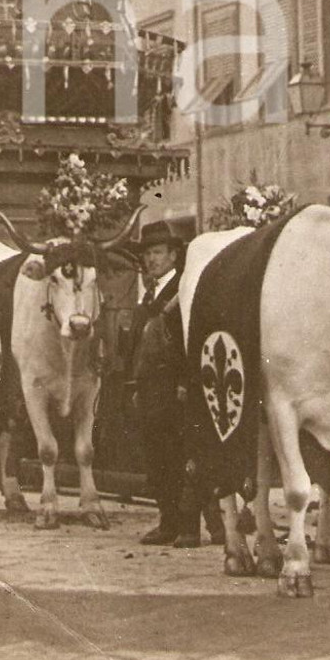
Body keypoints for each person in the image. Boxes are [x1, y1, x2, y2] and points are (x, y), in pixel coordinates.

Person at [128, 221, 220, 548]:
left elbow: (190, 338)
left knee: (182, 456)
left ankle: (188, 525)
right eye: (147, 254)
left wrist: (184, 381)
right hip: (151, 388)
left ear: (173, 255)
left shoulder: (183, 289)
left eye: (157, 252)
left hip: (176, 387)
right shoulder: (149, 294)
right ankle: (168, 521)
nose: (151, 259)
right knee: (158, 458)